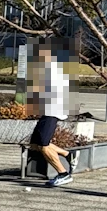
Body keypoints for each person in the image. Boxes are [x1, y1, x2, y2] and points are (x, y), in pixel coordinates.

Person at [28, 39, 74, 187]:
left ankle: (63, 173)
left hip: (52, 110)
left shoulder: (53, 69)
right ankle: (68, 155)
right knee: (35, 144)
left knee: (43, 145)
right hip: (48, 110)